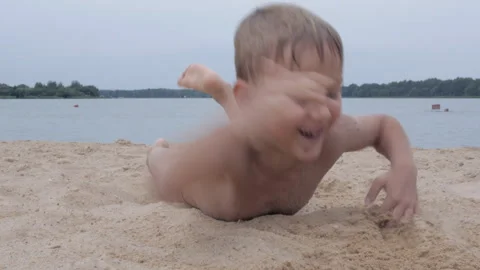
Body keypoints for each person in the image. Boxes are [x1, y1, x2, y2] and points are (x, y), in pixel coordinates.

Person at [146, 3, 419, 223]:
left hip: (254, 128)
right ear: (252, 101)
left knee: (265, 131)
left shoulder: (332, 136)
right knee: (163, 161)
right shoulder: (231, 150)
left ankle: (226, 95)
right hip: (194, 178)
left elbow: (384, 125)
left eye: (330, 92)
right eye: (300, 96)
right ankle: (161, 145)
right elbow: (175, 176)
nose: (321, 111)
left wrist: (404, 167)